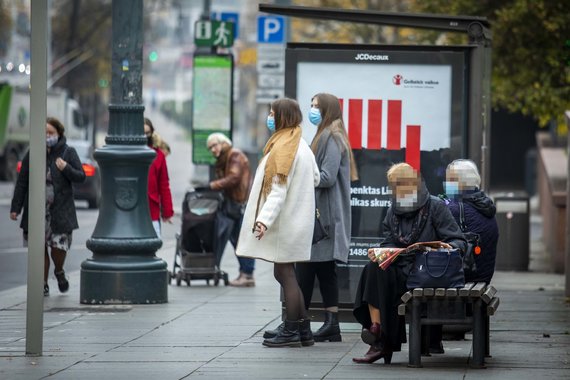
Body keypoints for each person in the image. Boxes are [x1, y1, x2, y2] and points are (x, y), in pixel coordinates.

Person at [352, 162, 466, 364]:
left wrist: (437, 249)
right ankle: (377, 332)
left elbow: (458, 241)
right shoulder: (393, 210)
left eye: (397, 185)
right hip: (402, 268)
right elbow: (388, 240)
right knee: (373, 268)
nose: (394, 191)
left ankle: (381, 342)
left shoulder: (435, 207)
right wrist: (383, 252)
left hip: (427, 272)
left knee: (382, 280)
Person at [236, 98, 320, 348]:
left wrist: (263, 220)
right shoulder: (299, 144)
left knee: (284, 273)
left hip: (287, 223)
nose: (270, 117)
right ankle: (303, 329)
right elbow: (315, 177)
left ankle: (292, 329)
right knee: (285, 272)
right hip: (295, 221)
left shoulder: (285, 148)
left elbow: (278, 191)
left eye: (273, 113)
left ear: (282, 117)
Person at [294, 93, 358, 342]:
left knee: (307, 270)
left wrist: (300, 177)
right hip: (326, 214)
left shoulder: (331, 136)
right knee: (322, 271)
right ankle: (330, 325)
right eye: (310, 106)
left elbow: (327, 176)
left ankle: (298, 323)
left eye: (316, 107)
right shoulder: (328, 134)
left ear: (328, 110)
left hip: (325, 217)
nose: (312, 110)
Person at [10, 117, 86, 296]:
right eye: (44, 133)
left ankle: (59, 271)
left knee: (58, 248)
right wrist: (16, 208)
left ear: (59, 134)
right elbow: (22, 181)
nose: (47, 136)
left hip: (60, 211)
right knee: (39, 248)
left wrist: (66, 168)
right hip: (37, 210)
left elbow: (81, 176)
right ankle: (42, 283)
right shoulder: (33, 152)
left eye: (51, 133)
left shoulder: (68, 152)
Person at [206, 132, 255, 287]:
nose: (213, 149)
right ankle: (244, 272)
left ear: (223, 142)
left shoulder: (234, 155)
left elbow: (234, 178)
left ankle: (247, 275)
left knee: (242, 241)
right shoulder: (224, 158)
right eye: (210, 148)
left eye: (215, 145)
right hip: (234, 205)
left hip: (239, 205)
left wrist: (213, 185)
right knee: (236, 241)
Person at [442, 159, 499, 284]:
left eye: (450, 180)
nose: (446, 184)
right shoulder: (484, 204)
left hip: (463, 276)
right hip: (483, 276)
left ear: (462, 183)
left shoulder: (455, 208)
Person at [144, 117, 174, 238]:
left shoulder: (158, 156)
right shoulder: (126, 153)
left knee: (152, 248)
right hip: (130, 212)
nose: (144, 136)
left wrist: (167, 212)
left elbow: (164, 185)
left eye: (147, 133)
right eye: (142, 133)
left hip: (152, 211)